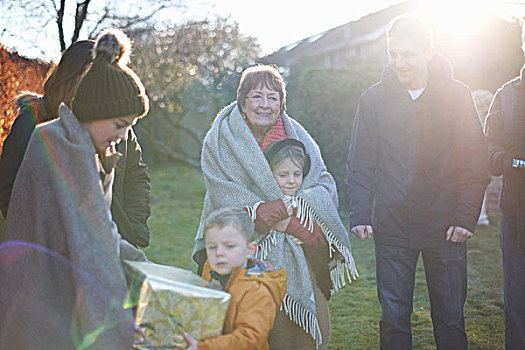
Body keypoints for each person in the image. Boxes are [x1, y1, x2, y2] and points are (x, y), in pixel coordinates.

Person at [0, 28, 149, 349]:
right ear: (96, 112)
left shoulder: (65, 135)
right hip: (46, 304)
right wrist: (119, 322)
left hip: (40, 297)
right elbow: (92, 246)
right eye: (121, 126)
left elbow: (101, 231)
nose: (124, 137)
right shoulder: (72, 150)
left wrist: (146, 268)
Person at [347, 16, 489, 350]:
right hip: (393, 228)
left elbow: (474, 159)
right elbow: (360, 162)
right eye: (392, 53)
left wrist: (466, 216)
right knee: (393, 321)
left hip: (447, 228)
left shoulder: (457, 95)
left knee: (451, 319)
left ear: (428, 52)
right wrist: (360, 213)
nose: (399, 62)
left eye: (407, 54)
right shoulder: (372, 100)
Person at [192, 64, 357, 349]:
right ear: (242, 101)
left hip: (295, 245)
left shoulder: (297, 134)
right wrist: (277, 217)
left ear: (282, 103)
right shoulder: (220, 137)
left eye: (272, 97)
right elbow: (222, 191)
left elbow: (321, 182)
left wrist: (294, 214)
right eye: (256, 96)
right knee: (242, 328)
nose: (265, 104)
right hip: (236, 242)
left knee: (297, 332)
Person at [0, 39, 151, 248]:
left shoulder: (118, 130)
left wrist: (133, 229)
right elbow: (10, 187)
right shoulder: (35, 123)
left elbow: (136, 177)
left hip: (113, 245)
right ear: (70, 78)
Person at [179, 207, 286, 350]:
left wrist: (201, 347)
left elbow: (250, 339)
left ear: (250, 250)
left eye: (229, 246)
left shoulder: (257, 290)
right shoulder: (210, 270)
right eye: (212, 247)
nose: (219, 253)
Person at [484, 25, 525, 350]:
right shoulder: (507, 95)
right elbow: (487, 147)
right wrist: (509, 160)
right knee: (518, 294)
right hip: (517, 210)